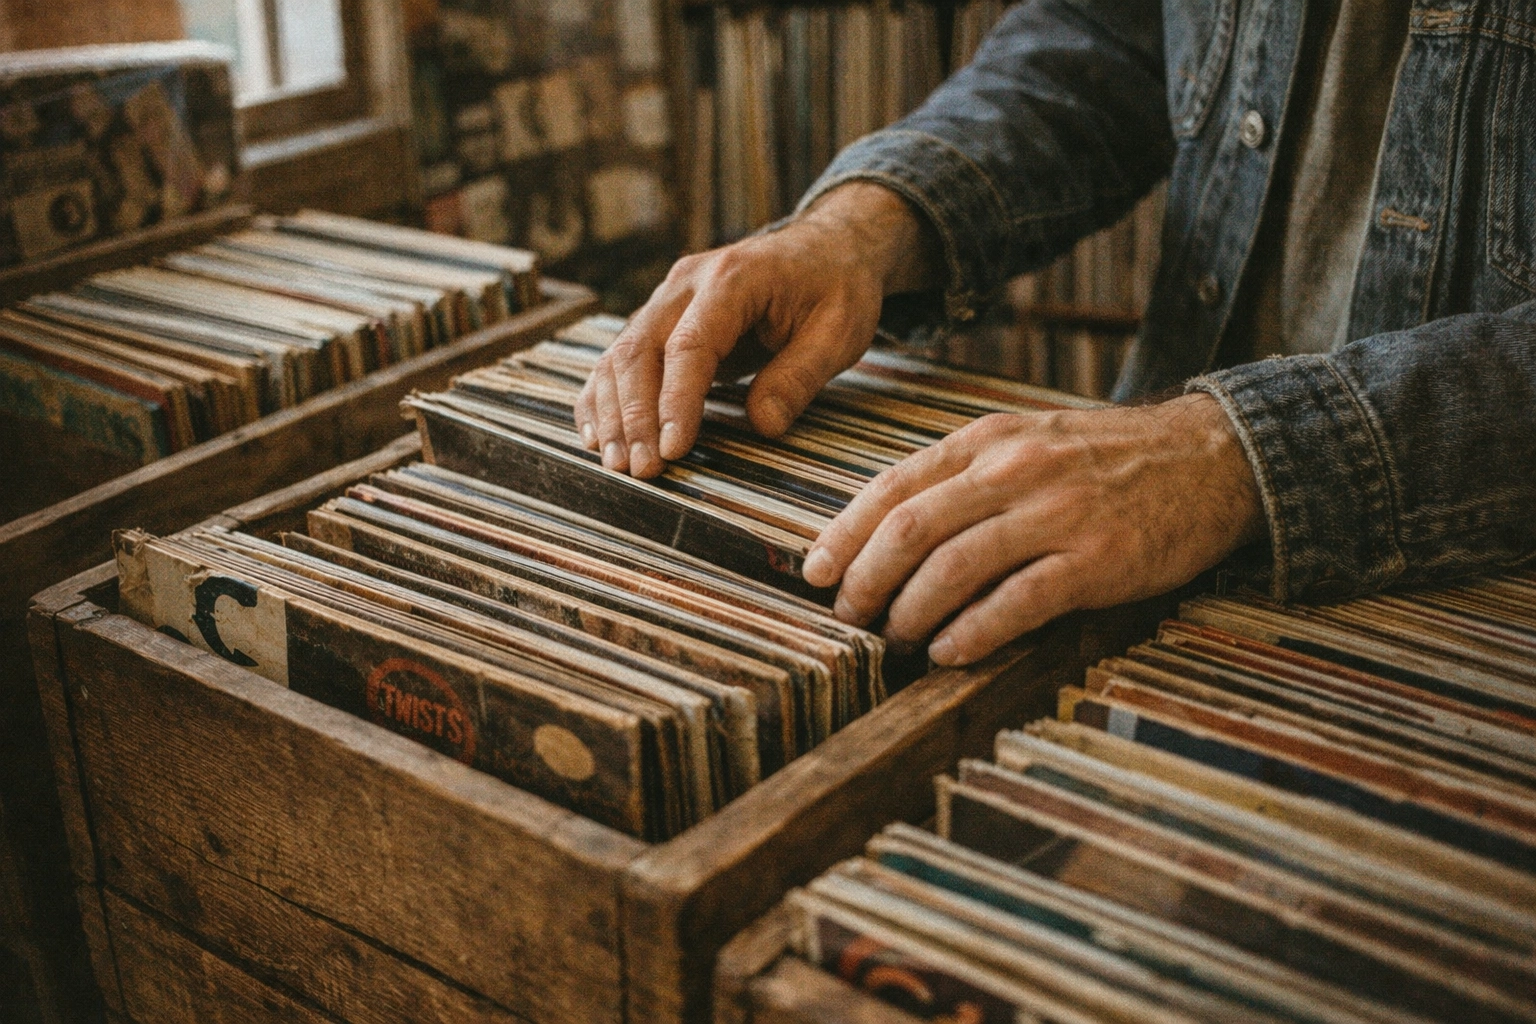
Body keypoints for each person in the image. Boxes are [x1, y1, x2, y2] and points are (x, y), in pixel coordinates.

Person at [574, 0, 1536, 667]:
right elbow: (1104, 40)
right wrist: (858, 229)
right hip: (1126, 554)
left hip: (1460, 624)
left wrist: (1233, 456)